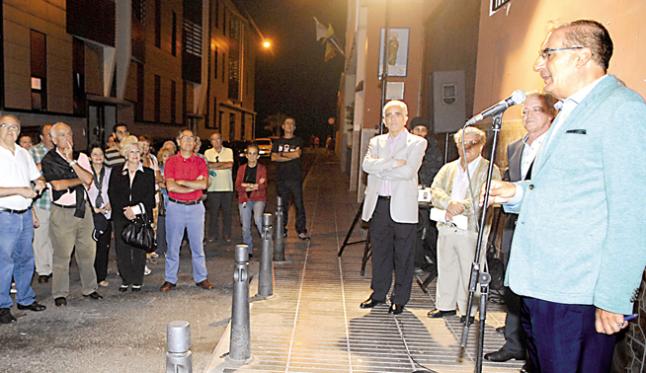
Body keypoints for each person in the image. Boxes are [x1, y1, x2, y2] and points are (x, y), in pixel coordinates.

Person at [484, 20, 646, 372]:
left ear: (582, 56)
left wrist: (614, 297)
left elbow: (632, 215)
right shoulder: (568, 111)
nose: (539, 66)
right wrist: (517, 192)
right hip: (542, 284)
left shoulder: (623, 110)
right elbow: (560, 189)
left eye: (548, 54)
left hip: (577, 292)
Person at [483, 93, 556, 369]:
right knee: (515, 286)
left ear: (550, 114)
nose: (527, 116)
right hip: (517, 226)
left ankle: (536, 351)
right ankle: (514, 344)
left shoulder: (556, 146)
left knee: (540, 292)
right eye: (524, 112)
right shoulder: (514, 147)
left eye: (535, 111)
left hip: (547, 228)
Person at [359, 100, 427, 315]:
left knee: (404, 255)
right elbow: (366, 166)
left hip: (403, 207)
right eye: (389, 115)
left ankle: (400, 298)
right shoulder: (376, 142)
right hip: (379, 204)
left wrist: (380, 167)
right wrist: (392, 163)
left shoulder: (416, 143)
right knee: (380, 253)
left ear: (406, 118)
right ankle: (379, 293)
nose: (393, 119)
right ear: (384, 119)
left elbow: (408, 172)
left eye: (398, 114)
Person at [427, 127, 501, 324]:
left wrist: (462, 207)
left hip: (471, 227)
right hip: (447, 223)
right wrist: (448, 204)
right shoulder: (448, 168)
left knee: (470, 269)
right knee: (446, 265)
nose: (466, 147)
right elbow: (435, 189)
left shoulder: (489, 169)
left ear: (481, 145)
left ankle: (468, 310)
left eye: (471, 143)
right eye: (462, 143)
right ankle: (445, 305)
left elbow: (487, 195)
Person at [41, 122, 102, 307]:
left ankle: (90, 288)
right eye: (62, 135)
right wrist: (78, 180)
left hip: (83, 209)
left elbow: (90, 179)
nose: (68, 138)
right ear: (53, 139)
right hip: (62, 212)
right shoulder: (48, 160)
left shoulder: (80, 156)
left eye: (69, 134)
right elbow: (58, 185)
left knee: (87, 252)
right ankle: (60, 293)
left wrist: (72, 162)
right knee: (62, 255)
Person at [0, 115, 47, 324]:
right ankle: (2, 305)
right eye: (6, 126)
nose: (11, 130)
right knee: (4, 262)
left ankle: (25, 298)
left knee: (26, 259)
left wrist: (40, 183)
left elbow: (36, 176)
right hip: (5, 215)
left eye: (15, 127)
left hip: (25, 214)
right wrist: (19, 190)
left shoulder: (23, 153)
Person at [160, 129, 214, 292]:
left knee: (197, 246)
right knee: (173, 246)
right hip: (175, 207)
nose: (189, 141)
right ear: (178, 141)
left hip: (196, 207)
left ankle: (201, 277)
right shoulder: (170, 161)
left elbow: (204, 185)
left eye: (192, 139)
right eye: (185, 138)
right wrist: (192, 184)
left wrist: (181, 182)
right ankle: (170, 279)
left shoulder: (200, 162)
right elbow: (170, 186)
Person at [108, 139, 156, 292]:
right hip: (121, 215)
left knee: (138, 247)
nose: (135, 155)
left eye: (137, 152)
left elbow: (150, 198)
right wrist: (125, 210)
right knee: (122, 249)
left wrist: (134, 210)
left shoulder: (148, 173)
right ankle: (125, 278)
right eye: (131, 152)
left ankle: (137, 279)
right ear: (125, 154)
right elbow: (112, 193)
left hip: (140, 215)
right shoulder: (116, 171)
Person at [409, 117, 444, 279]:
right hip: (407, 194)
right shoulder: (406, 146)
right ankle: (415, 261)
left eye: (423, 130)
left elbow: (436, 171)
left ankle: (434, 262)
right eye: (417, 130)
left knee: (431, 229)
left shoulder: (433, 149)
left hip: (428, 195)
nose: (420, 133)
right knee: (412, 228)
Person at [271, 117, 310, 240]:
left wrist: (281, 155)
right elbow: (273, 157)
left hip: (295, 178)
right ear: (283, 126)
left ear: (294, 127)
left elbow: (297, 154)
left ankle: (301, 230)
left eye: (292, 124)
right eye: (287, 123)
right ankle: (282, 229)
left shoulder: (298, 140)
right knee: (282, 206)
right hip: (281, 179)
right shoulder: (277, 142)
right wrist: (290, 156)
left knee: (299, 204)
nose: (289, 126)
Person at [29, 123, 55, 283]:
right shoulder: (33, 152)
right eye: (48, 134)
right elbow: (28, 174)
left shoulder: (61, 150)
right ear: (41, 137)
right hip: (41, 201)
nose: (52, 137)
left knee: (55, 237)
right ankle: (43, 270)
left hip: (59, 201)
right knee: (41, 238)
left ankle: (53, 267)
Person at [235, 144, 267, 257]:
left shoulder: (262, 168)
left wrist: (247, 185)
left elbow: (263, 186)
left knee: (258, 219)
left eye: (254, 154)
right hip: (244, 199)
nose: (252, 156)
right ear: (246, 155)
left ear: (258, 156)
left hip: (258, 198)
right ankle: (248, 249)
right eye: (250, 153)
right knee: (245, 226)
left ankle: (267, 242)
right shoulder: (241, 168)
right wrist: (254, 185)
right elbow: (238, 186)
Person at [88, 145, 112, 288]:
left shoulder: (109, 172)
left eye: (100, 154)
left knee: (103, 247)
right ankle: (89, 276)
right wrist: (94, 208)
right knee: (89, 247)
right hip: (90, 213)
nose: (98, 157)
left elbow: (114, 190)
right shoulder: (85, 172)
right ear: (90, 157)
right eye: (94, 154)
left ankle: (100, 276)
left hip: (106, 213)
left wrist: (109, 205)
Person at [204, 132, 234, 243]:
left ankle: (227, 234)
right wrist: (222, 165)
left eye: (218, 139)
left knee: (227, 213)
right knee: (213, 213)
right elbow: (207, 166)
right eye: (213, 139)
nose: (216, 142)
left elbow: (230, 164)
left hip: (227, 188)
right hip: (213, 188)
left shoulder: (229, 151)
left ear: (222, 140)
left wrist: (214, 165)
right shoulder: (207, 152)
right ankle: (212, 234)